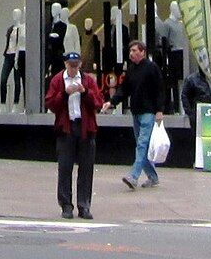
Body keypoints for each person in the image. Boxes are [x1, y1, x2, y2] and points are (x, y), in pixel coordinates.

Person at [46, 49, 104, 220]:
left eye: (76, 66)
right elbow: (51, 104)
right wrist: (65, 93)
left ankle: (84, 205)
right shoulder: (58, 80)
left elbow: (98, 102)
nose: (73, 69)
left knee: (86, 168)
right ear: (65, 65)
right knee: (65, 167)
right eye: (70, 66)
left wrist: (84, 92)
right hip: (66, 128)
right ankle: (66, 205)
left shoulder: (87, 80)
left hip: (86, 128)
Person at [111, 39, 163, 190]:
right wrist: (112, 102)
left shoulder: (152, 68)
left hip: (148, 112)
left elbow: (159, 89)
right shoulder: (132, 70)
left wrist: (159, 110)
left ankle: (133, 176)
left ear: (143, 52)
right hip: (136, 112)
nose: (131, 54)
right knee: (142, 146)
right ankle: (153, 177)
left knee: (141, 144)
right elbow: (124, 89)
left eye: (134, 51)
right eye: (130, 51)